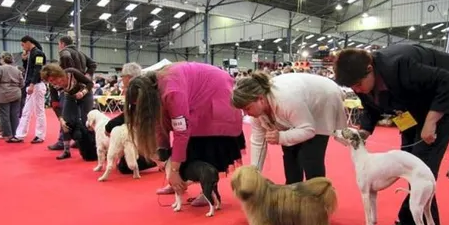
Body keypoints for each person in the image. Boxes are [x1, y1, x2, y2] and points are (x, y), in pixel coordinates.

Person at [333, 44, 449, 225]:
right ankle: (427, 221)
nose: (357, 90)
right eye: (352, 87)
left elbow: (447, 82)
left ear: (370, 68)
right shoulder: (360, 81)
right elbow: (371, 107)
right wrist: (364, 131)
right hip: (413, 105)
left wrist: (431, 121)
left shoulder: (399, 65)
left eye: (358, 84)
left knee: (422, 157)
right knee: (407, 157)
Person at [124, 61, 245, 205]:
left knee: (205, 145)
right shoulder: (155, 88)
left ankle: (209, 193)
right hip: (198, 93)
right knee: (183, 151)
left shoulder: (172, 92)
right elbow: (159, 122)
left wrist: (174, 171)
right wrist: (162, 151)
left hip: (216, 93)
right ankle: (177, 184)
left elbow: (181, 133)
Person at [231, 71, 347, 183]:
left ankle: (317, 199)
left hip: (323, 98)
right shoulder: (256, 112)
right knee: (290, 155)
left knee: (311, 157)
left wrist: (281, 137)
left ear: (260, 99)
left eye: (247, 108)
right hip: (298, 102)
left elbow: (308, 129)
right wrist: (254, 174)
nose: (246, 113)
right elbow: (258, 141)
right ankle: (293, 196)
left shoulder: (285, 99)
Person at [104, 62, 157, 174]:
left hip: (148, 133)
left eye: (122, 76)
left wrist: (109, 126)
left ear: (128, 77)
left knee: (125, 166)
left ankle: (159, 158)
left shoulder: (138, 91)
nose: (121, 79)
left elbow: (129, 114)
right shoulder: (140, 88)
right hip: (145, 131)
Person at [48, 35, 97, 151]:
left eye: (58, 44)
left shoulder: (64, 52)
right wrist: (87, 75)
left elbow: (65, 57)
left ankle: (62, 141)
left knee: (66, 116)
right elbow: (93, 64)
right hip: (82, 86)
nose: (58, 47)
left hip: (69, 86)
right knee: (83, 117)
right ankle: (82, 141)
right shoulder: (80, 53)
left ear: (62, 44)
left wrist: (67, 71)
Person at [39, 63, 94, 160]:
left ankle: (94, 147)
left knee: (87, 121)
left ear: (57, 74)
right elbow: (55, 103)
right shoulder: (53, 85)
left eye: (53, 80)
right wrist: (60, 119)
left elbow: (90, 83)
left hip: (85, 94)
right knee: (65, 121)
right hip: (70, 95)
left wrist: (82, 93)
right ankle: (66, 150)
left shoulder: (72, 72)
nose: (53, 83)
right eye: (49, 81)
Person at [12, 35, 47, 144]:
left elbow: (38, 69)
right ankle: (20, 135)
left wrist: (32, 84)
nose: (23, 48)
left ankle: (40, 135)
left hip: (36, 85)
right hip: (31, 85)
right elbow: (28, 69)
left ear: (28, 42)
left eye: (23, 45)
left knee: (39, 111)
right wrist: (24, 60)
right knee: (26, 111)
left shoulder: (38, 53)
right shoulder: (31, 53)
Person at [0, 52, 24, 142]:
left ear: (3, 59)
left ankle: (8, 135)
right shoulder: (17, 70)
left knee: (4, 116)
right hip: (16, 94)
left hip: (2, 95)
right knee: (15, 115)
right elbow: (22, 84)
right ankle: (16, 134)